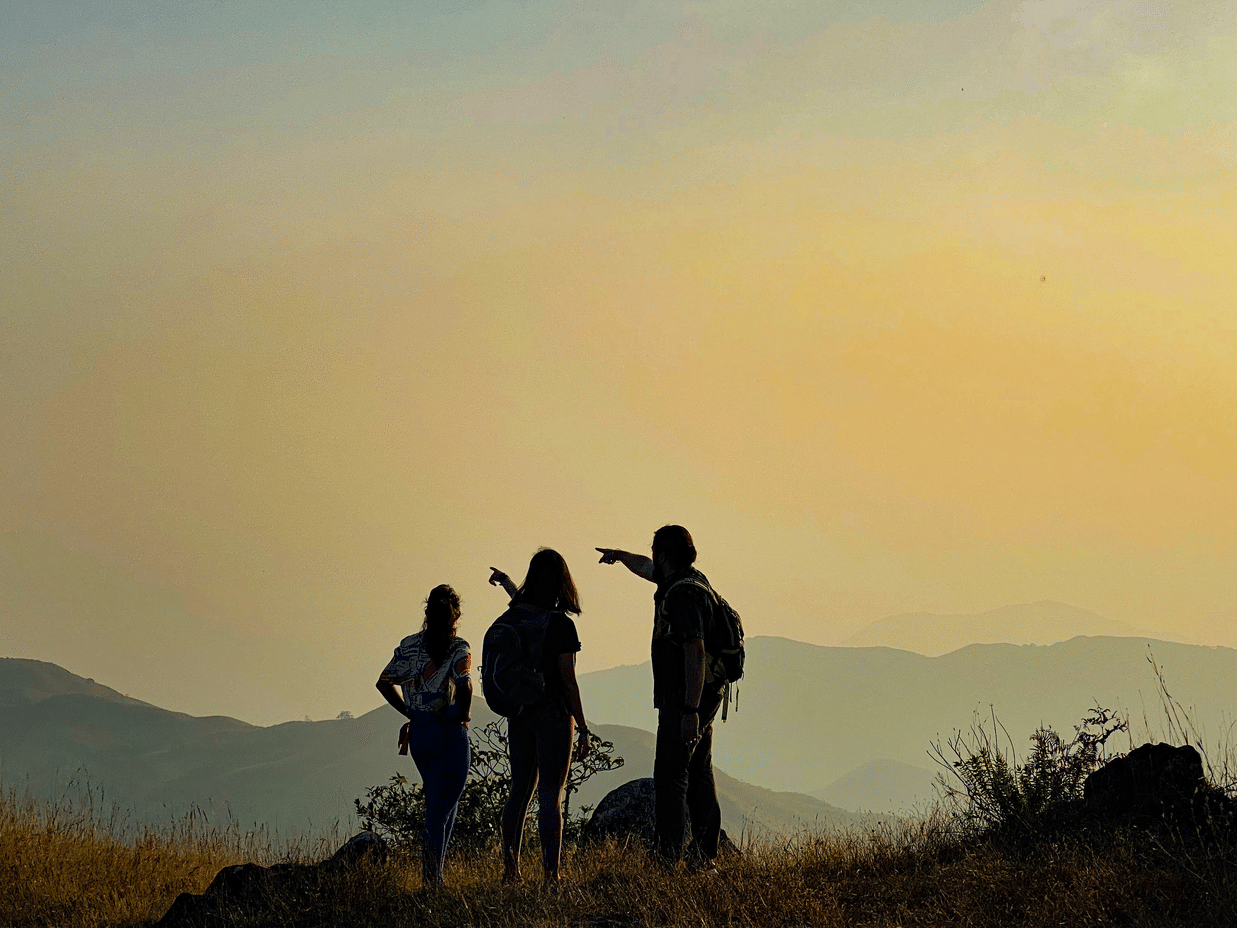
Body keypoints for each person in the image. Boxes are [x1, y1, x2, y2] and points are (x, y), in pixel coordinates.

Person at [596, 525, 723, 873]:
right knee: (698, 773)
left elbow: (694, 651)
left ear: (665, 555)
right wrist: (621, 557)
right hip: (700, 698)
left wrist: (689, 711)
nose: (651, 558)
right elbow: (647, 570)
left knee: (671, 777)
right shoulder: (688, 580)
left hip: (686, 700)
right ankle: (704, 857)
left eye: (654, 551)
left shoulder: (682, 596)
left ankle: (668, 860)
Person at [487, 549, 590, 885]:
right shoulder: (560, 624)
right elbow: (567, 680)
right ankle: (551, 875)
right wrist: (584, 727)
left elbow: (524, 607)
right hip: (554, 715)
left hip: (520, 714)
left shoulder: (517, 616)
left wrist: (506, 582)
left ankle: (511, 871)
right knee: (550, 793)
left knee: (520, 791)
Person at [375, 584, 473, 887]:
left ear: (427, 611)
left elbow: (384, 683)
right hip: (450, 731)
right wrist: (463, 713)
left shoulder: (409, 646)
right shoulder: (459, 647)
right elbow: (465, 685)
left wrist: (409, 712)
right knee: (444, 808)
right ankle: (432, 880)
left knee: (438, 801)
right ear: (455, 615)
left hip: (420, 733)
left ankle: (435, 878)